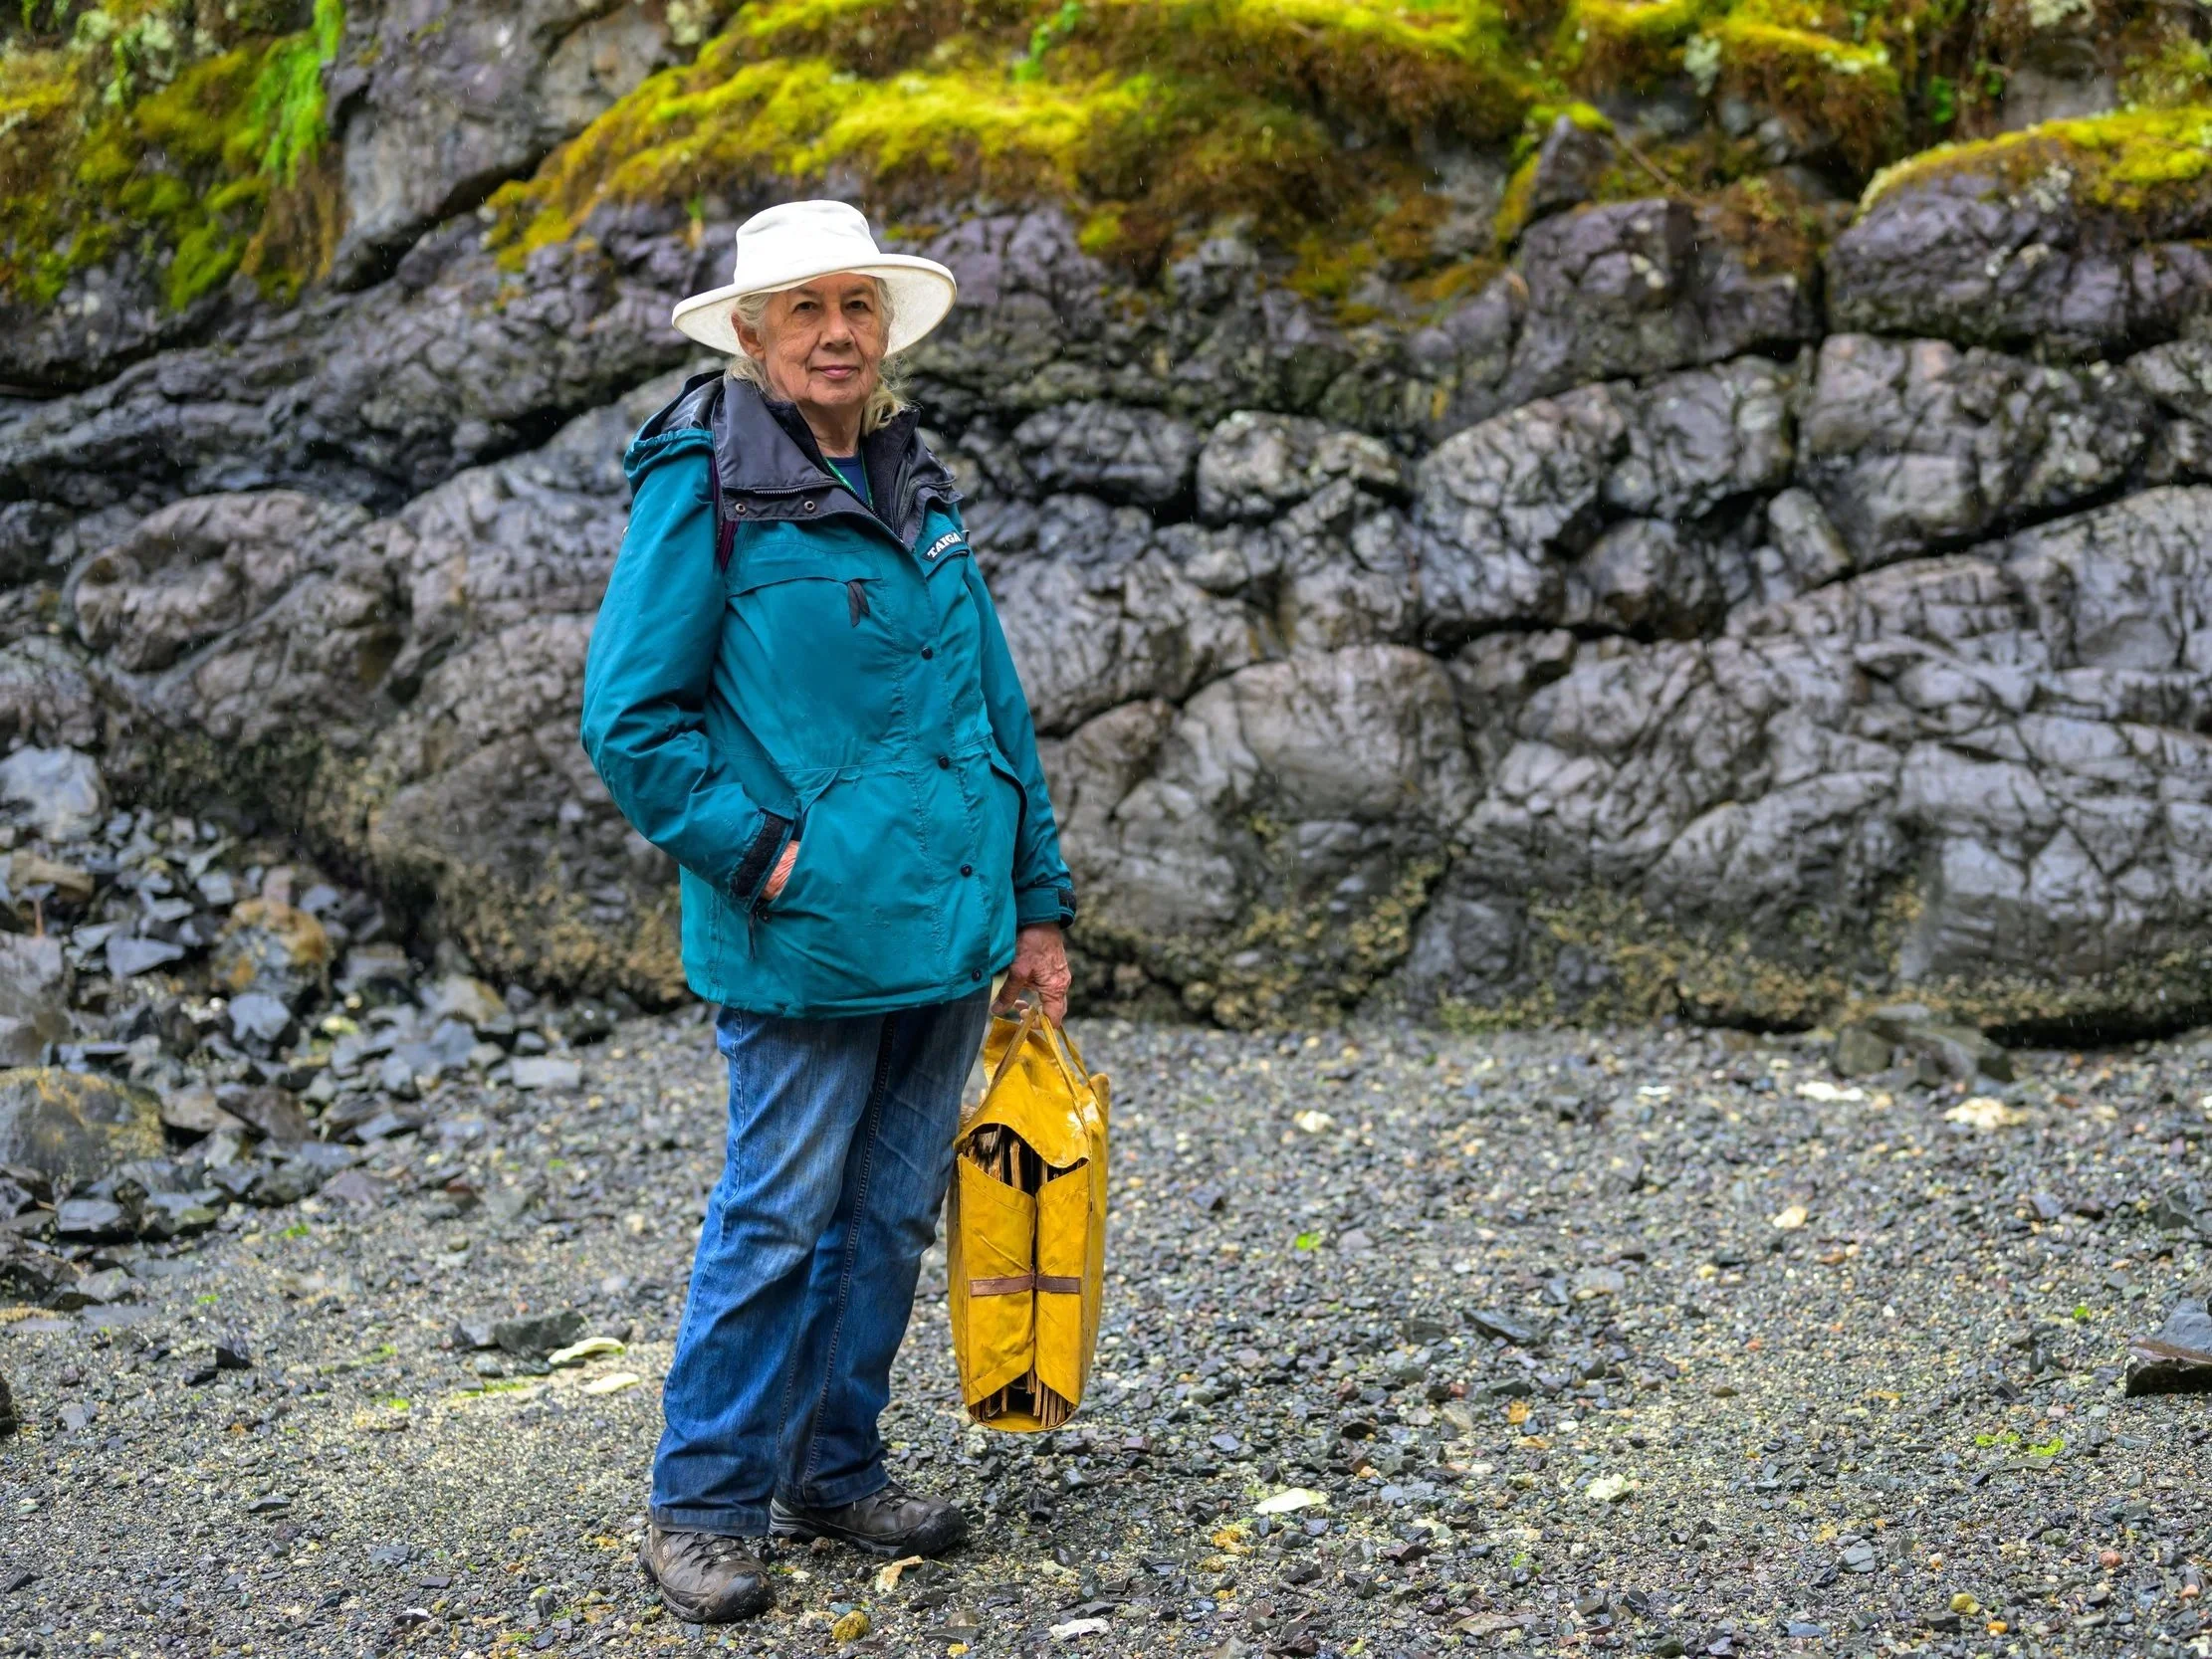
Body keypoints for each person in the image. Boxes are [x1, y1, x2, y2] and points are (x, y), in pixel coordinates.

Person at [579, 199, 1075, 1624]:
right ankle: (701, 1504)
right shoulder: (706, 480)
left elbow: (994, 709)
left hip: (946, 928)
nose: (834, 332)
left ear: (885, 328)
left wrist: (1036, 904)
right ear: (751, 334)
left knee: (889, 1218)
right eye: (802, 310)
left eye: (854, 306)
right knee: (775, 1219)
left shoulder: (921, 487)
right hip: (802, 936)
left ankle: (832, 1466)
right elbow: (630, 717)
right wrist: (763, 856)